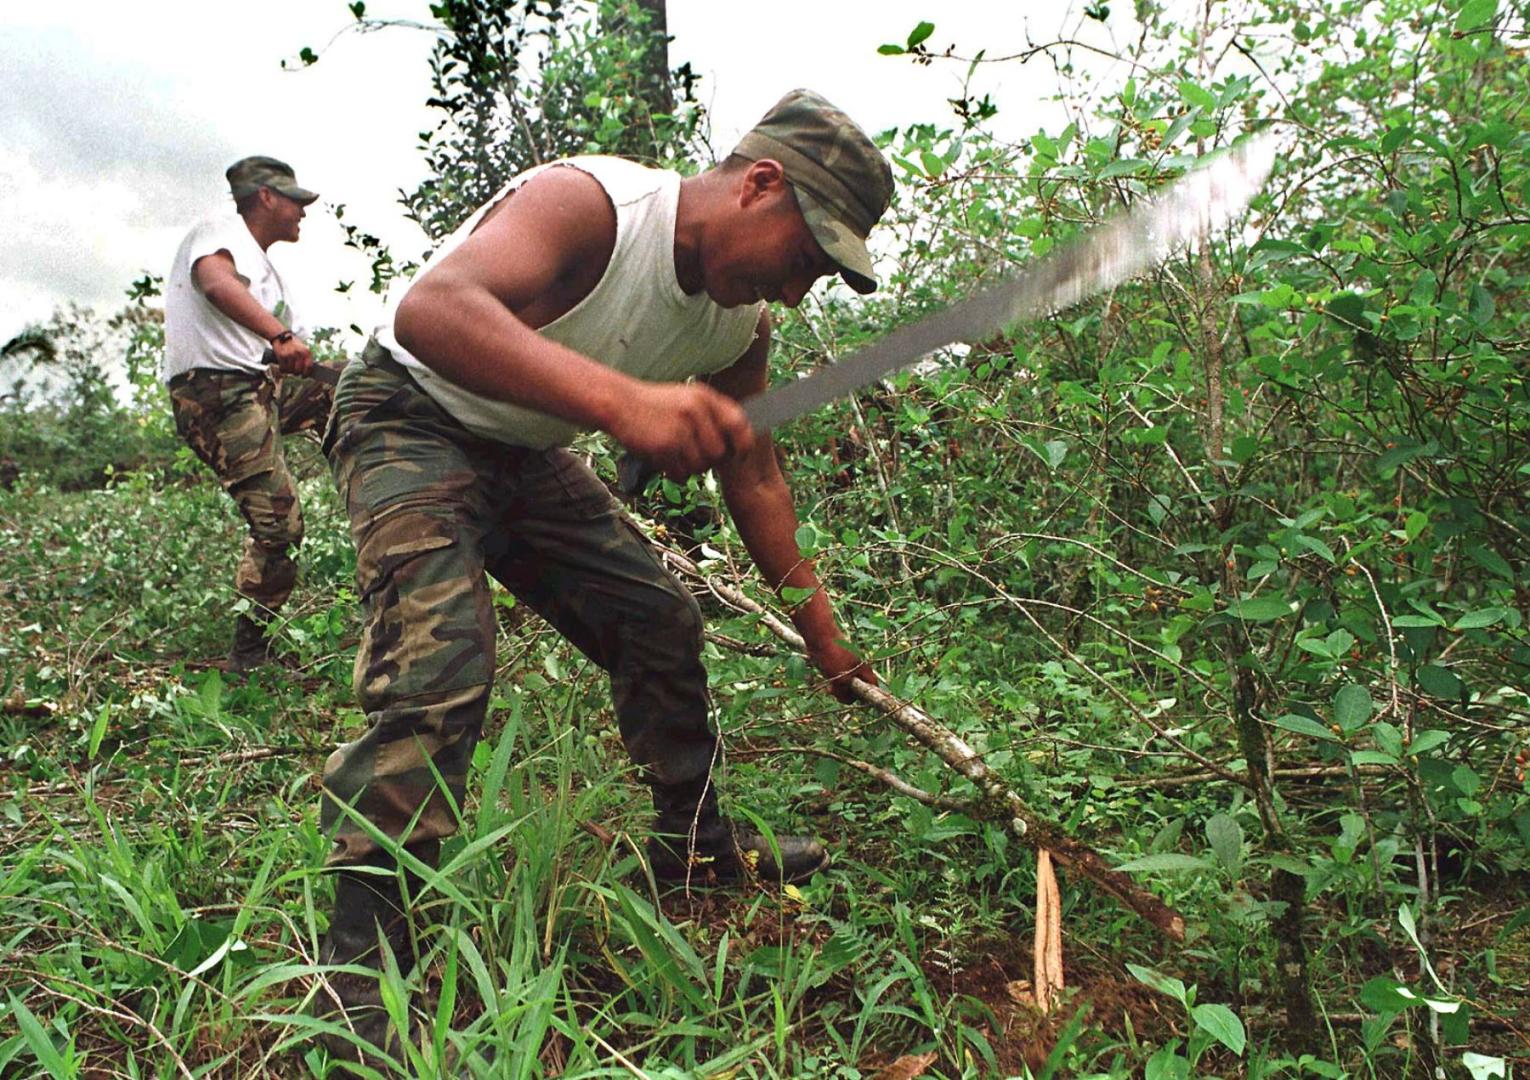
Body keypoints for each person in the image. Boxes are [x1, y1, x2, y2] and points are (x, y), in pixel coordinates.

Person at [313, 89, 893, 1061]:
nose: (797, 294)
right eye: (804, 259)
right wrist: (625, 404)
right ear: (760, 185)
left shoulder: (738, 329)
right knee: (439, 668)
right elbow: (432, 311)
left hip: (524, 450)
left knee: (659, 619)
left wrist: (826, 637)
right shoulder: (595, 206)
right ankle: (359, 972)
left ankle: (694, 851)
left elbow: (753, 472)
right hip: (409, 413)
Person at [163, 156, 333, 674]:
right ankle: (249, 654)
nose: (303, 211)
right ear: (265, 197)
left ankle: (380, 497)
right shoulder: (220, 230)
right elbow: (215, 282)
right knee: (279, 527)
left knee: (355, 387)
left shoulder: (266, 268)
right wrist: (279, 336)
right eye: (295, 201)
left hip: (259, 388)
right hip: (218, 394)